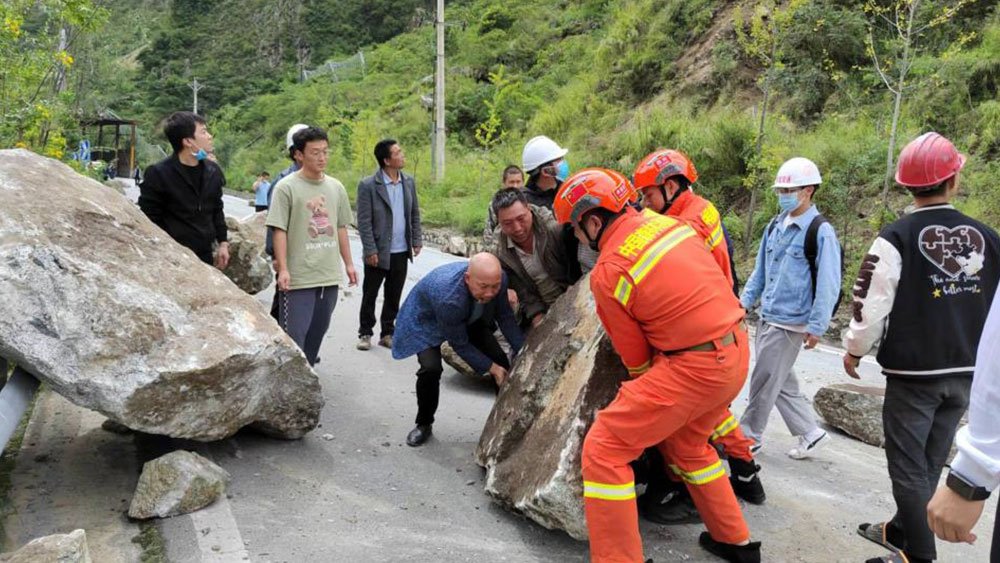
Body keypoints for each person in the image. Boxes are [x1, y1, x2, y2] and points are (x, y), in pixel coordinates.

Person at [554, 168, 759, 563]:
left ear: (594, 221)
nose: (577, 239)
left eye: (576, 230)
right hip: (736, 349)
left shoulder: (609, 270)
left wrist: (643, 402)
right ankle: (737, 544)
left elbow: (638, 361)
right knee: (688, 445)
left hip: (694, 366)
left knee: (605, 448)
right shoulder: (671, 226)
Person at [843, 132, 1000, 563]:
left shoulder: (896, 236)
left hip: (915, 374)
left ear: (906, 185)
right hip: (967, 373)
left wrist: (856, 348)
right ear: (954, 180)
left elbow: (868, 301)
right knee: (930, 460)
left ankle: (919, 556)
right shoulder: (989, 237)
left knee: (908, 468)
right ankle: (902, 529)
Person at [632, 150, 765, 523]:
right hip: (722, 321)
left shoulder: (683, 226)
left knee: (685, 423)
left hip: (699, 331)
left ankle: (679, 488)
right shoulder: (700, 208)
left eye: (648, 195)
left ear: (671, 186)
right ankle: (745, 470)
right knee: (713, 411)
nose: (645, 204)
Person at [739, 157, 841, 460]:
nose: (783, 195)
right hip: (768, 314)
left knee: (764, 378)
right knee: (779, 378)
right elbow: (760, 270)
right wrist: (743, 304)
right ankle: (810, 433)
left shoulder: (821, 232)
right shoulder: (775, 226)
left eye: (790, 189)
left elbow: (829, 283)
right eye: (780, 190)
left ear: (808, 190)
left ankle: (748, 437)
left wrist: (817, 326)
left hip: (791, 321)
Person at [391, 254, 524, 447]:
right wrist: (490, 368)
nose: (489, 293)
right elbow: (459, 343)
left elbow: (505, 317)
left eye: (494, 287)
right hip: (427, 320)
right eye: (484, 287)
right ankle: (424, 423)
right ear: (468, 279)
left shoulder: (498, 279)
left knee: (502, 361)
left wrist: (523, 350)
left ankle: (503, 424)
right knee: (431, 368)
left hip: (468, 314)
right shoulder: (449, 298)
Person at [265, 126, 358, 366]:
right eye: (315, 152)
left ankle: (304, 382)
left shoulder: (336, 187)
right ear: (298, 154)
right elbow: (279, 230)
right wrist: (283, 268)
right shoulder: (286, 187)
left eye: (325, 152)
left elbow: (339, 227)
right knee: (294, 337)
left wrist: (349, 264)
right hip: (299, 277)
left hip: (327, 275)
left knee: (317, 334)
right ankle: (289, 388)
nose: (322, 158)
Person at [927, 290, 1000, 561]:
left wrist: (971, 477)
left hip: (920, 366)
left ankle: (912, 544)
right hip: (953, 366)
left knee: (910, 460)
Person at [139, 111, 229, 269]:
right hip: (170, 258)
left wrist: (223, 243)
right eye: (203, 132)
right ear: (188, 141)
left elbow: (217, 209)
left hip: (204, 255)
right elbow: (149, 218)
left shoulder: (212, 171)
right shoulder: (159, 173)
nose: (209, 136)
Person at [355, 139, 423, 351]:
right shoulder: (369, 185)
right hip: (378, 251)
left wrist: (417, 240)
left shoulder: (408, 182)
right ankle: (365, 332)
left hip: (401, 249)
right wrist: (370, 249)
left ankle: (387, 332)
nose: (403, 155)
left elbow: (414, 213)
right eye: (398, 152)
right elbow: (363, 221)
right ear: (386, 160)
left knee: (394, 294)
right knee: (370, 293)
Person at [490, 188, 580, 328]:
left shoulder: (554, 228)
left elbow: (575, 263)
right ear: (499, 223)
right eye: (508, 223)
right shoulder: (500, 252)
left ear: (529, 209)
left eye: (521, 219)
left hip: (572, 291)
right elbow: (521, 290)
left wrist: (574, 290)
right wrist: (536, 315)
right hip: (543, 305)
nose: (517, 228)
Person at [265, 123, 309, 320]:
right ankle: (278, 341)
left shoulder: (320, 180)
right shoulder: (283, 182)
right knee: (285, 302)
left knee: (307, 305)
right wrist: (275, 255)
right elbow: (274, 223)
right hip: (289, 254)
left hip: (311, 252)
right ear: (297, 152)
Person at [483, 165, 526, 250]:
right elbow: (489, 232)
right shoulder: (496, 205)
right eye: (511, 182)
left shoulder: (528, 202)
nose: (515, 186)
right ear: (504, 183)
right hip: (502, 249)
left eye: (518, 182)